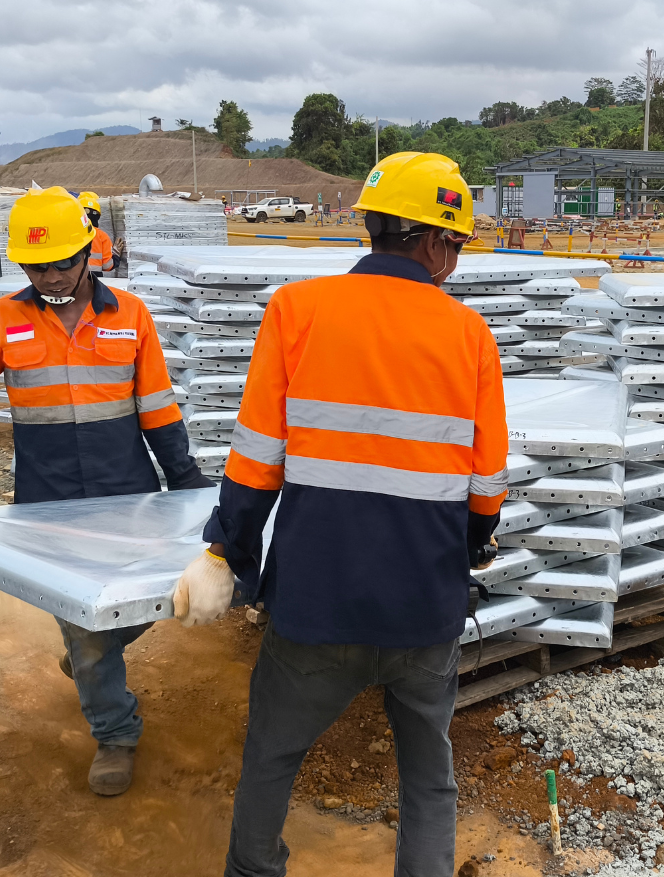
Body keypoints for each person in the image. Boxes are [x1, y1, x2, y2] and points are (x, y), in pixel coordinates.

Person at [172, 151, 507, 876]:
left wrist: (226, 552)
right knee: (428, 776)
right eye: (454, 243)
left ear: (373, 226)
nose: (453, 260)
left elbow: (255, 458)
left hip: (315, 602)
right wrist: (471, 548)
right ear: (432, 241)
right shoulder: (470, 336)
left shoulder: (297, 310)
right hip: (423, 607)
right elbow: (486, 487)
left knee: (272, 756)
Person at [0, 186, 211, 796]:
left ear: (89, 252)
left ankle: (92, 649)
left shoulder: (130, 315)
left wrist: (184, 478)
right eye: (37, 267)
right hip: (49, 497)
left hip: (128, 491)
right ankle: (115, 732)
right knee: (85, 627)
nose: (52, 277)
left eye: (62, 263)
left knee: (150, 599)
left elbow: (158, 405)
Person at [78, 191, 121, 276]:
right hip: (94, 278)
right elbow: (107, 266)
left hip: (74, 277)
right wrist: (115, 254)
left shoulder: (71, 233)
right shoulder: (102, 236)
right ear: (97, 216)